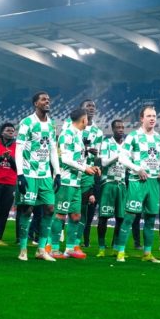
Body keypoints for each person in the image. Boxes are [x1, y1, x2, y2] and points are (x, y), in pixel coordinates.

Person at [113, 105, 160, 263]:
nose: (152, 118)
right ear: (142, 118)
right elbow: (122, 158)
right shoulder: (133, 137)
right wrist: (137, 169)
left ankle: (147, 253)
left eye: (154, 116)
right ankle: (121, 252)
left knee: (151, 218)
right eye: (149, 116)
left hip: (154, 182)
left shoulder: (159, 139)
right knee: (130, 216)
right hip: (137, 181)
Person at [14, 91, 62, 262]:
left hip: (45, 175)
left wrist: (57, 172)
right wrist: (20, 174)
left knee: (49, 209)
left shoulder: (51, 125)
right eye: (43, 99)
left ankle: (41, 249)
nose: (47, 101)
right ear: (35, 103)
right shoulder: (27, 122)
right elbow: (18, 148)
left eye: (48, 99)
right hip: (28, 173)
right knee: (27, 209)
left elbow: (52, 150)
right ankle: (23, 249)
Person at [49, 107, 101, 259]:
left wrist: (91, 167)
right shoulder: (67, 134)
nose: (88, 121)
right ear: (83, 119)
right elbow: (65, 159)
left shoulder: (79, 135)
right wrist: (85, 168)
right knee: (60, 215)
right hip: (65, 181)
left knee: (76, 216)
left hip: (76, 182)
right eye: (87, 119)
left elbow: (78, 158)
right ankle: (54, 248)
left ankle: (70, 248)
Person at [96, 119, 127, 257]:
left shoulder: (127, 145)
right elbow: (103, 162)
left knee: (121, 218)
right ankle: (101, 248)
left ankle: (116, 247)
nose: (120, 129)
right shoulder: (107, 143)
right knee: (104, 216)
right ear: (112, 129)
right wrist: (117, 157)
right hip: (108, 183)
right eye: (117, 127)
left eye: (122, 127)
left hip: (122, 184)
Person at [77, 100, 103, 248]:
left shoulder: (98, 132)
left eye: (93, 107)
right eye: (88, 106)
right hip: (71, 172)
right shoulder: (71, 126)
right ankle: (55, 240)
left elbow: (97, 156)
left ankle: (81, 241)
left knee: (85, 208)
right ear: (81, 109)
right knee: (63, 208)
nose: (91, 109)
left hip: (88, 173)